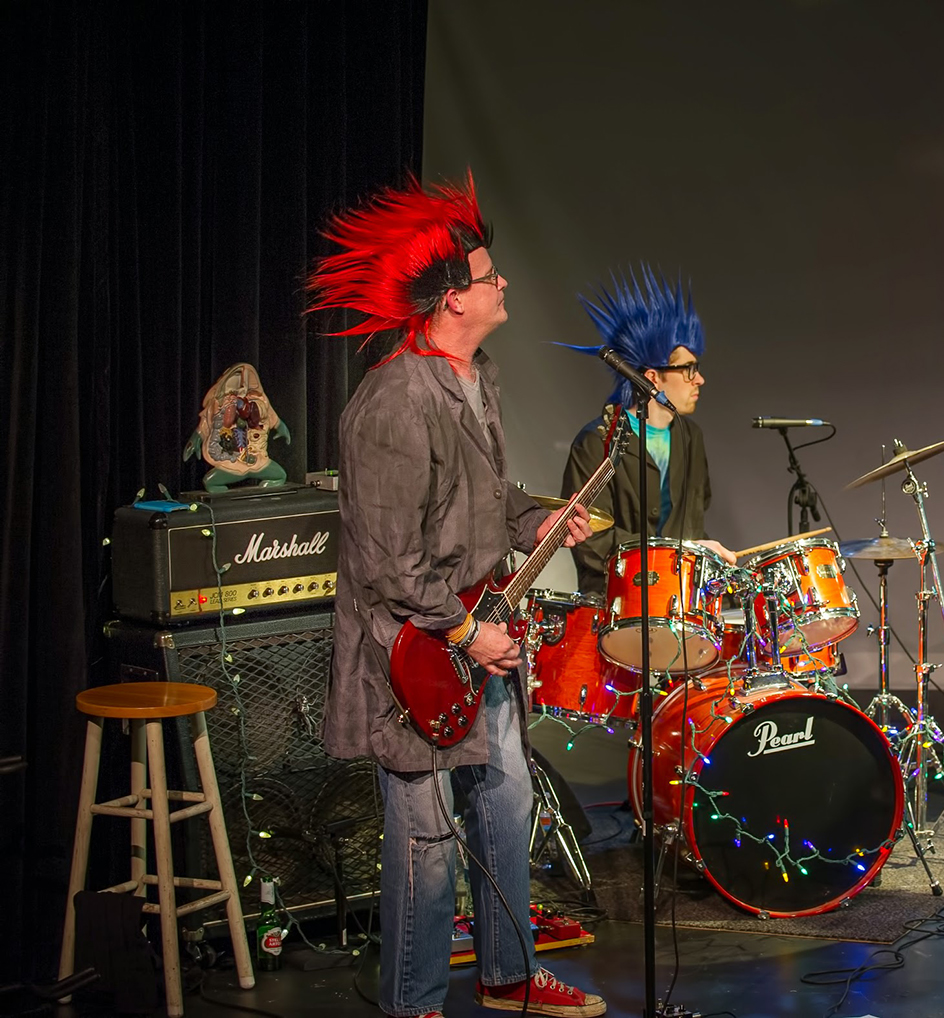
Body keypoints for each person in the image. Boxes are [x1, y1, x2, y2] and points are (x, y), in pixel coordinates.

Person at [309, 173, 605, 1018]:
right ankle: (416, 1003)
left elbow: (482, 502)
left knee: (506, 807)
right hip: (417, 659)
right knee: (426, 844)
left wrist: (542, 517)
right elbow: (391, 561)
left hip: (476, 639)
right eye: (487, 275)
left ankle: (508, 977)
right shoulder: (396, 402)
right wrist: (467, 630)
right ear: (448, 300)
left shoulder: (480, 379)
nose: (502, 282)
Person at [560, 267, 736, 601]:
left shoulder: (690, 438)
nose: (699, 380)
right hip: (617, 603)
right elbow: (589, 539)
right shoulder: (597, 441)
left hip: (679, 604)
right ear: (653, 378)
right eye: (688, 370)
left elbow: (692, 525)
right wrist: (674, 550)